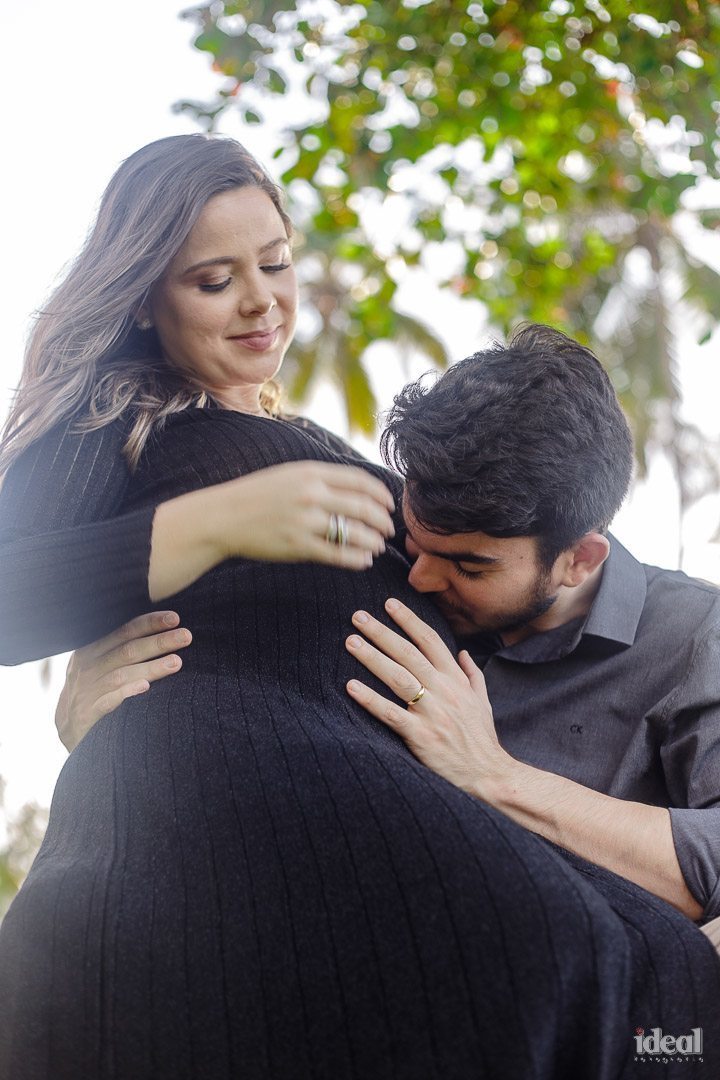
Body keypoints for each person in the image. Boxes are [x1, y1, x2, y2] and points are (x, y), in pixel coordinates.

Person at [0, 134, 716, 1080]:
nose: (261, 299)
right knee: (558, 964)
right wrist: (215, 523)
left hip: (369, 798)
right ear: (143, 297)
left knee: (651, 972)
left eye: (277, 262)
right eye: (213, 280)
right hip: (234, 798)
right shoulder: (122, 412)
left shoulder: (328, 448)